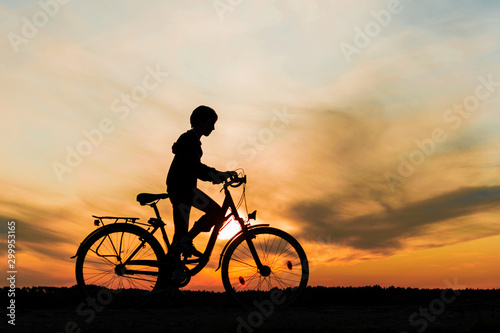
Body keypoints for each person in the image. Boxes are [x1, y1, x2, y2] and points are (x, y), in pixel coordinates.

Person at [166, 105, 235, 257]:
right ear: (200, 121)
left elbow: (193, 167)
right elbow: (195, 167)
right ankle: (186, 241)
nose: (213, 128)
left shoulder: (189, 139)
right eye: (211, 123)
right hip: (183, 189)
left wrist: (217, 175)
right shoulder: (191, 140)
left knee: (180, 234)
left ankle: (169, 271)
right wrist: (217, 175)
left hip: (180, 188)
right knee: (215, 211)